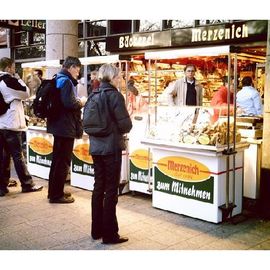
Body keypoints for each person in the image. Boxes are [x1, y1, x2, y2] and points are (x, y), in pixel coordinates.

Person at [88, 63, 132, 244]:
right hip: (111, 148)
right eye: (119, 76)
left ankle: (96, 230)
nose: (121, 79)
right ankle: (110, 234)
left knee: (98, 187)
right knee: (111, 191)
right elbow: (126, 125)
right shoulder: (115, 96)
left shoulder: (94, 94)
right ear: (113, 78)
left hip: (96, 148)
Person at [0, 57, 43, 196]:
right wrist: (18, 78)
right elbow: (26, 92)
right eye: (13, 68)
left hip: (2, 124)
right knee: (18, 156)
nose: (14, 70)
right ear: (8, 68)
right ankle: (27, 184)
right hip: (11, 124)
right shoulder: (8, 80)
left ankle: (2, 186)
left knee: (4, 157)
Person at [47, 56, 87, 204]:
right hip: (65, 127)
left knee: (57, 161)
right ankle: (57, 195)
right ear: (71, 67)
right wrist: (81, 102)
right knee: (63, 162)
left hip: (57, 125)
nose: (78, 72)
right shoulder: (66, 81)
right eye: (78, 69)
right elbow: (69, 103)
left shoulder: (57, 77)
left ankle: (54, 192)